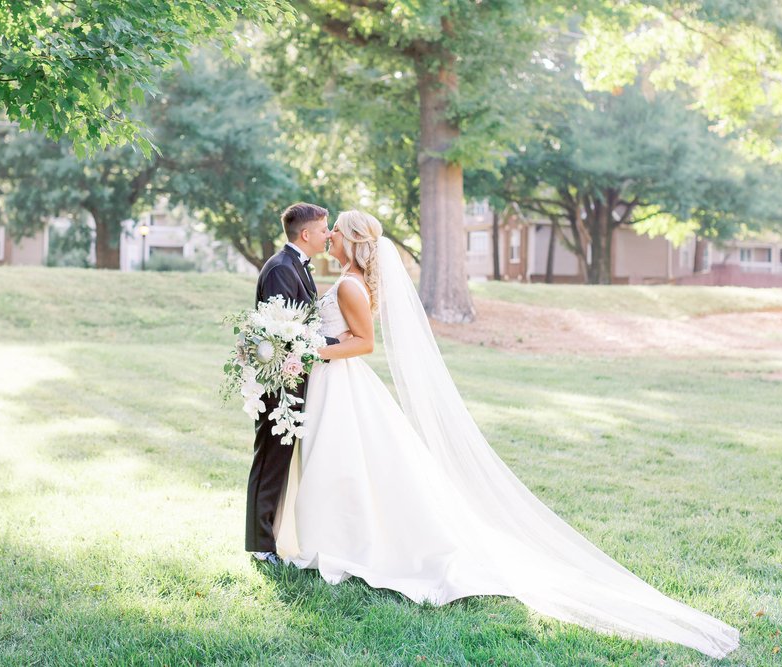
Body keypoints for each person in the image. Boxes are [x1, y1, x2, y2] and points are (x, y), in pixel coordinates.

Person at [273, 210, 740, 660]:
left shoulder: (352, 285)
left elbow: (365, 343)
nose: (328, 236)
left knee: (342, 462)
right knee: (338, 462)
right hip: (333, 386)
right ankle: (329, 538)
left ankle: (342, 543)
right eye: (325, 231)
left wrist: (314, 349)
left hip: (342, 382)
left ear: (351, 240)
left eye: (335, 232)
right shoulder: (347, 279)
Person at [245, 202, 338, 565]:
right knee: (270, 461)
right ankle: (260, 545)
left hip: (294, 380)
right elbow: (284, 333)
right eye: (324, 229)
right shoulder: (281, 269)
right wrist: (338, 347)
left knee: (280, 462)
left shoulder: (294, 266)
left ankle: (270, 538)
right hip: (278, 385)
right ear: (306, 234)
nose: (328, 235)